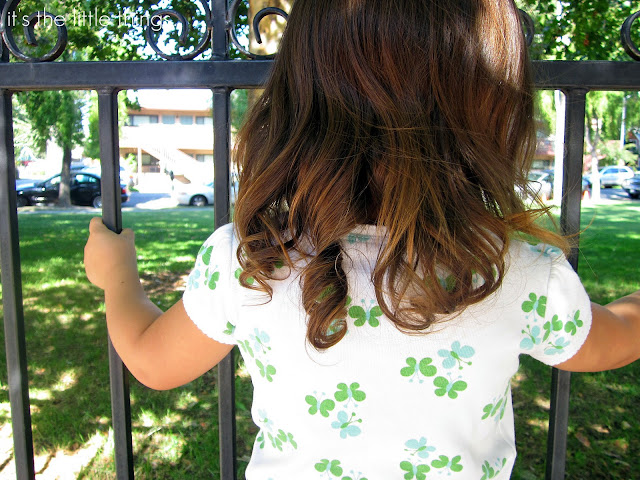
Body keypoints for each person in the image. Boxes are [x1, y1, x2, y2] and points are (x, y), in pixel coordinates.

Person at [84, 0, 640, 478]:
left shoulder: (252, 260)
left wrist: (118, 279)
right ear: (494, 111)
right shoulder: (515, 271)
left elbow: (153, 362)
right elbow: (611, 340)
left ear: (298, 98)